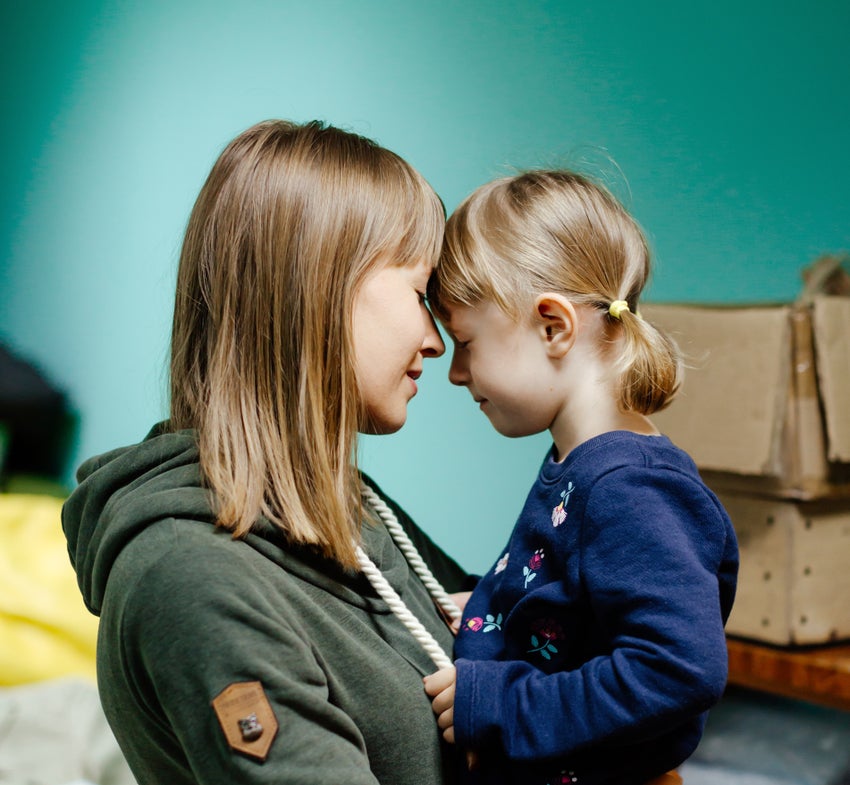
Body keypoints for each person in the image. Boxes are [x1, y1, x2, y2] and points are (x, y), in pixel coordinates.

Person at [62, 119, 469, 785]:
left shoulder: (349, 509)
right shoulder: (190, 575)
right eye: (422, 296)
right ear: (321, 287)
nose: (435, 340)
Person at [423, 170, 739, 785]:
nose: (456, 373)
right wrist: (493, 610)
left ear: (553, 327)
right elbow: (575, 598)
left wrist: (501, 703)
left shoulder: (631, 487)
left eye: (464, 341)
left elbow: (677, 669)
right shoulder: (584, 464)